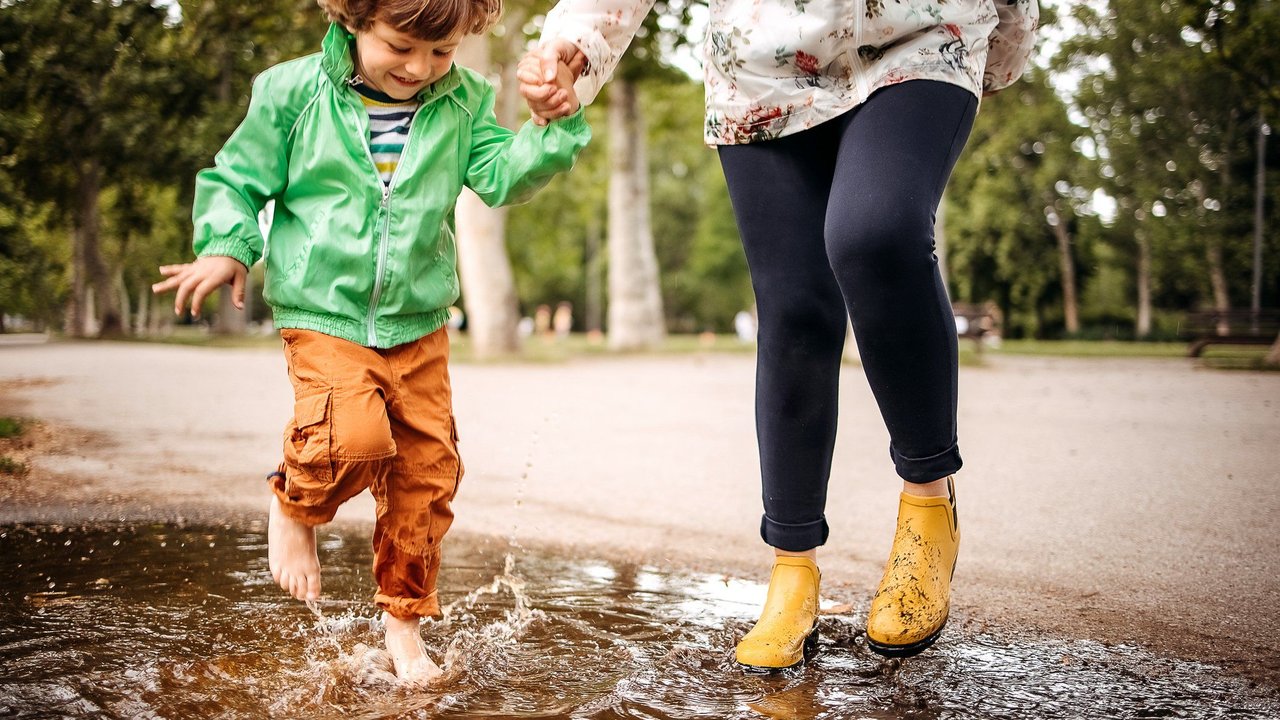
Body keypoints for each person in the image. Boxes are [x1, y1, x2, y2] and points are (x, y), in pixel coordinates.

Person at [518, 0, 1037, 667]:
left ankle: (929, 506)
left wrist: (1006, 40)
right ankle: (793, 572)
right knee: (794, 310)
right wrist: (573, 44)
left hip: (920, 31)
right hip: (763, 57)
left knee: (873, 234)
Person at [152, 0, 589, 683]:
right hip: (324, 314)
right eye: (401, 46)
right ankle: (294, 501)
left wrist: (552, 125)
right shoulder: (292, 93)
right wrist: (228, 246)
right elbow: (236, 179)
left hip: (419, 324)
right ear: (352, 18)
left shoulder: (465, 100)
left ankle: (404, 625)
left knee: (425, 476)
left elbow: (503, 176)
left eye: (441, 53)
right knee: (349, 437)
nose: (420, 69)